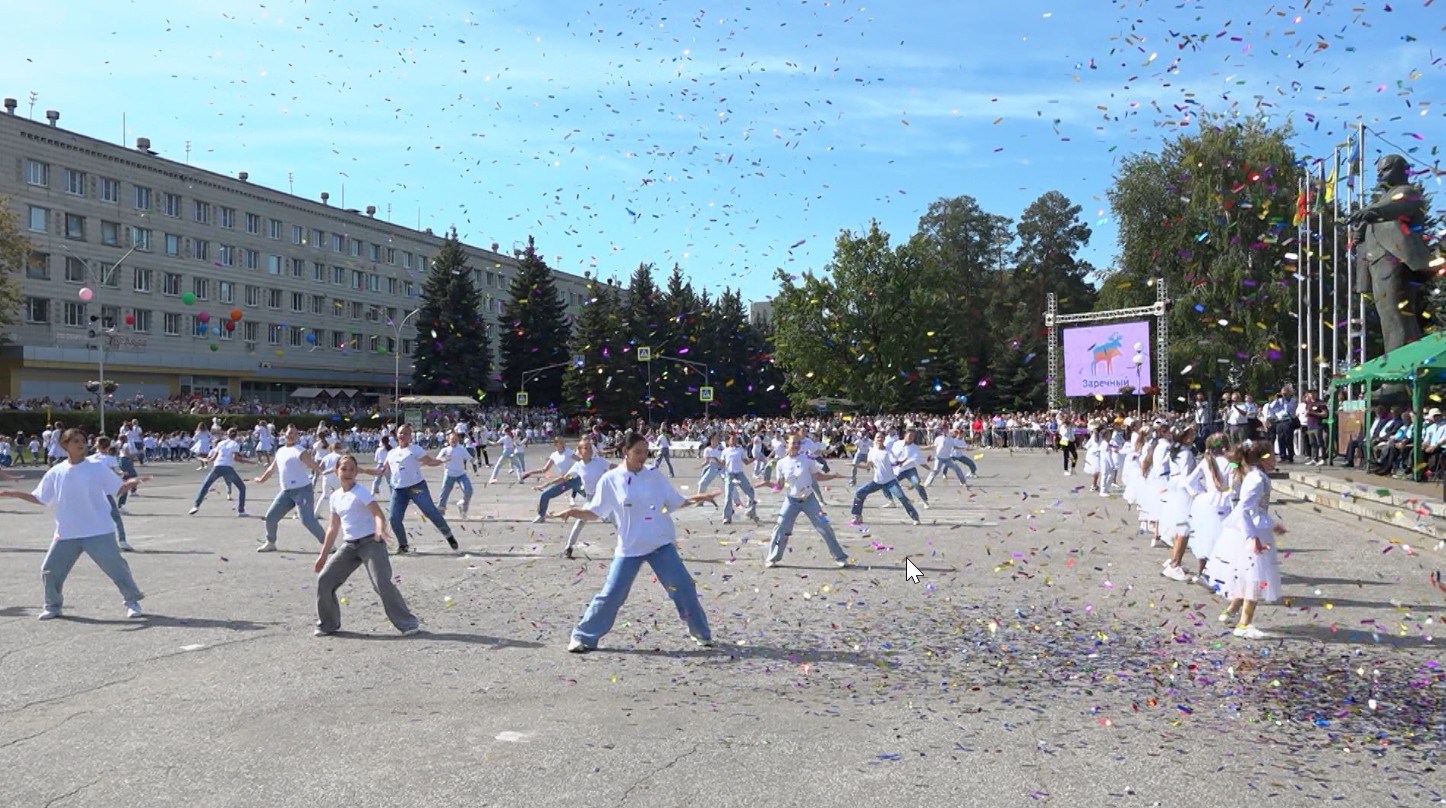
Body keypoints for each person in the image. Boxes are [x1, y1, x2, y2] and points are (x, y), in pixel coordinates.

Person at [549, 433, 718, 653]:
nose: (643, 456)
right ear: (625, 452)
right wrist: (574, 512)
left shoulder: (655, 475)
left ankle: (701, 633)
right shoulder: (611, 479)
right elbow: (596, 511)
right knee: (612, 594)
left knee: (684, 586)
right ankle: (583, 636)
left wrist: (700, 497)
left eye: (646, 452)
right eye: (637, 452)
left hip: (660, 544)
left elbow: (676, 502)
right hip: (630, 547)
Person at [1, 428, 146, 620]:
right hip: (67, 532)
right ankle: (53, 606)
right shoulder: (56, 471)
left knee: (116, 568)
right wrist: (14, 493)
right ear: (65, 445)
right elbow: (41, 498)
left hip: (98, 530)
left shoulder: (96, 467)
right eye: (75, 441)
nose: (80, 444)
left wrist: (131, 483)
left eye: (83, 441)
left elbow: (117, 488)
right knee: (50, 569)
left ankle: (132, 601)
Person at [314, 455, 421, 637]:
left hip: (371, 543)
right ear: (336, 471)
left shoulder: (361, 492)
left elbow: (378, 514)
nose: (347, 473)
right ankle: (328, 624)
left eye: (351, 469)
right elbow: (333, 527)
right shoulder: (335, 497)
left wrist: (379, 530)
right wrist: (323, 556)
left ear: (356, 472)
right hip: (349, 546)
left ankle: (408, 623)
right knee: (325, 579)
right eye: (344, 469)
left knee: (381, 583)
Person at [1203, 441, 1284, 640]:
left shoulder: (1255, 476)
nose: (1276, 459)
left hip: (1256, 528)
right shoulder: (1256, 478)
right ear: (1264, 458)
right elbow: (1246, 510)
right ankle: (1244, 624)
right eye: (1272, 455)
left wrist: (1272, 524)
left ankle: (1230, 611)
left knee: (1247, 574)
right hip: (1253, 532)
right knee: (1254, 578)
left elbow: (1255, 509)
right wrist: (1252, 537)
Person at [765, 434, 851, 569]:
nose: (796, 445)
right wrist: (768, 484)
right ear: (786, 444)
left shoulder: (807, 459)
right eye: (793, 443)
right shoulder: (781, 463)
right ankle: (772, 558)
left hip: (809, 499)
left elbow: (817, 476)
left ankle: (840, 557)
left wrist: (833, 476)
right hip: (791, 501)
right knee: (781, 527)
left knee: (824, 527)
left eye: (798, 443)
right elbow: (780, 485)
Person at [379, 424, 458, 554]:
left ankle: (448, 534)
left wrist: (443, 459)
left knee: (430, 511)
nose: (402, 436)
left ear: (410, 436)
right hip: (399, 490)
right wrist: (362, 470)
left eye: (405, 433)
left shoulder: (415, 449)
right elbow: (383, 469)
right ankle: (403, 544)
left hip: (416, 487)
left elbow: (430, 462)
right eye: (400, 433)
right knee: (394, 518)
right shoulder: (391, 453)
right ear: (396, 435)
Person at [252, 424, 328, 553]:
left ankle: (328, 545)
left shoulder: (300, 450)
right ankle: (270, 542)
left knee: (307, 521)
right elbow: (272, 468)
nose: (292, 435)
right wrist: (262, 479)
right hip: (287, 491)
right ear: (284, 434)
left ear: (297, 436)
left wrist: (325, 472)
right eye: (289, 433)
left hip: (302, 489)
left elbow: (312, 464)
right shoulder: (281, 451)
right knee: (271, 517)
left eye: (294, 433)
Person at [556, 439, 615, 559]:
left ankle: (634, 547)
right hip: (589, 499)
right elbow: (565, 478)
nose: (589, 450)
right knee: (579, 522)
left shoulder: (599, 461)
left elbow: (615, 467)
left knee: (618, 522)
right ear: (579, 451)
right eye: (586, 448)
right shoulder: (578, 466)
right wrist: (545, 485)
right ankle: (569, 548)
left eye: (590, 447)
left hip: (604, 499)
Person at [850, 432, 921, 529]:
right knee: (859, 493)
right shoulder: (871, 451)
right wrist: (855, 465)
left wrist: (901, 462)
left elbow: (895, 462)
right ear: (875, 439)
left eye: (881, 438)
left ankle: (915, 517)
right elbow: (868, 465)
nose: (879, 439)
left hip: (890, 481)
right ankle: (857, 515)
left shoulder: (888, 451)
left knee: (903, 498)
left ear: (884, 440)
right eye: (877, 437)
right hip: (877, 481)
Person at [189, 428, 251, 517]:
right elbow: (236, 458)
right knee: (241, 487)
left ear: (227, 434)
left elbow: (212, 459)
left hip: (217, 466)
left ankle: (196, 506)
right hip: (227, 467)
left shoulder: (221, 443)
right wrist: (248, 462)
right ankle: (241, 510)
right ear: (236, 435)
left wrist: (202, 459)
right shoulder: (235, 444)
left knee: (205, 485)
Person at [523, 437, 578, 523]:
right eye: (561, 443)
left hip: (575, 478)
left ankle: (605, 514)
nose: (563, 444)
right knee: (545, 495)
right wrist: (531, 472)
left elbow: (581, 461)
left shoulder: (569, 452)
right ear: (556, 444)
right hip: (565, 481)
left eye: (564, 442)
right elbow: (544, 469)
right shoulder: (554, 455)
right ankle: (542, 516)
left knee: (591, 495)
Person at [720, 434, 760, 525]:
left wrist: (754, 459)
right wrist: (715, 460)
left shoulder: (740, 450)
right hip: (730, 475)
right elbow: (722, 463)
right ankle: (727, 517)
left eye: (735, 439)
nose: (734, 441)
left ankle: (750, 511)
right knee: (728, 496)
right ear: (728, 441)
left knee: (750, 492)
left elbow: (745, 462)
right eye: (732, 439)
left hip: (740, 474)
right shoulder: (725, 451)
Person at [435, 431, 476, 519]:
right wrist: (445, 458)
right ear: (448, 440)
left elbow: (469, 457)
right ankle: (440, 512)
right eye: (452, 439)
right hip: (449, 475)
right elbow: (437, 460)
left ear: (458, 440)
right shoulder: (445, 450)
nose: (453, 441)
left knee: (469, 490)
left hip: (461, 474)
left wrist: (474, 462)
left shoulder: (461, 449)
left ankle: (463, 507)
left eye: (455, 439)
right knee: (444, 494)